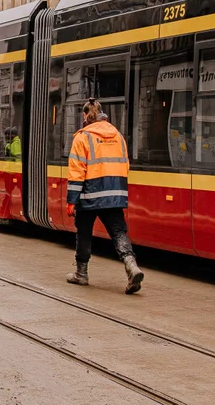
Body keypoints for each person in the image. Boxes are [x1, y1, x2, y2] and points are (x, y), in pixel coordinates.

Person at [66, 99, 144, 294]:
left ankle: (81, 274)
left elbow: (77, 171)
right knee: (118, 232)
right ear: (102, 113)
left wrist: (71, 201)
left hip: (89, 194)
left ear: (85, 116)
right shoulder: (117, 135)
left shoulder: (82, 137)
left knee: (84, 233)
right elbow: (125, 165)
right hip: (115, 193)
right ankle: (131, 266)